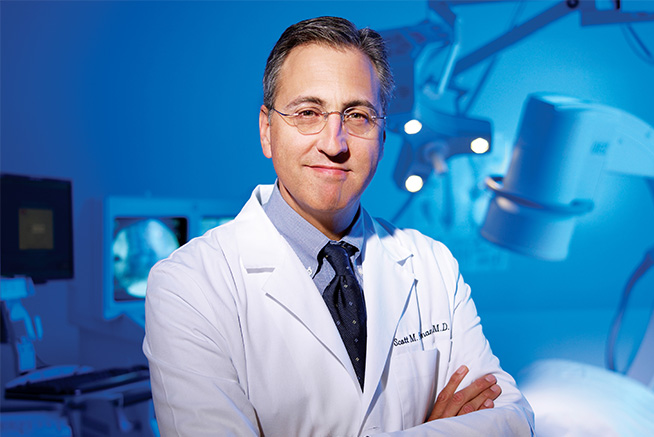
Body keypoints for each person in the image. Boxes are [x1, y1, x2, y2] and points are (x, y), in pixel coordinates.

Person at [143, 16, 534, 436]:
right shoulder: (188, 286)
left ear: (383, 136)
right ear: (267, 130)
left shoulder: (433, 265)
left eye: (358, 116)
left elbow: (512, 419)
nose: (334, 143)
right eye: (307, 112)